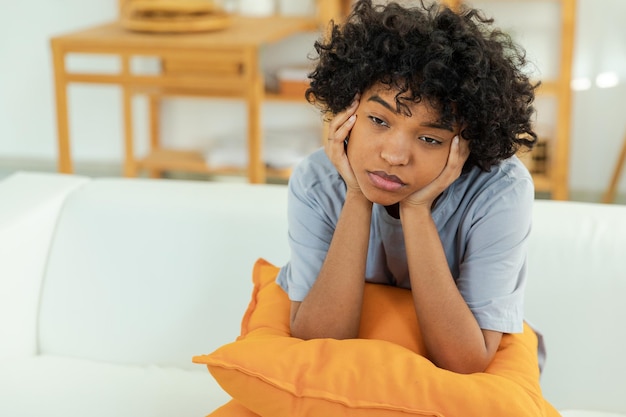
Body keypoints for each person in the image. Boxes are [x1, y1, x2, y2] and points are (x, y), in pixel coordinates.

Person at [276, 0, 540, 375]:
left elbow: (465, 360)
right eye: (378, 120)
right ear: (347, 111)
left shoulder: (500, 191)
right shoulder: (317, 180)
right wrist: (356, 196)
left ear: (464, 143)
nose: (394, 155)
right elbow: (318, 344)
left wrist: (416, 210)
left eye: (430, 139)